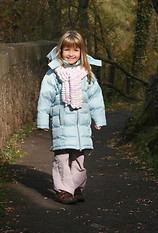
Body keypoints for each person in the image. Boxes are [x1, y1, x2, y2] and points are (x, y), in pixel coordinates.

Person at [37, 30, 107, 204]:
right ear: (60, 51)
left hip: (81, 126)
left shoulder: (87, 74)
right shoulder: (53, 75)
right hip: (61, 122)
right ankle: (63, 190)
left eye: (75, 50)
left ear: (81, 52)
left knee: (79, 158)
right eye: (67, 50)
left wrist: (98, 119)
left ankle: (76, 187)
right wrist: (43, 120)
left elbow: (96, 98)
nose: (71, 54)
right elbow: (45, 98)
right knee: (61, 158)